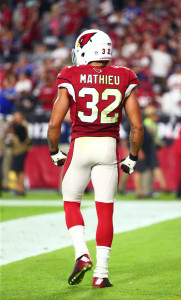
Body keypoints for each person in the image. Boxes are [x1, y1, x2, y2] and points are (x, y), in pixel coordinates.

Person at [47, 29, 143, 288]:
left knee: (71, 203)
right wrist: (132, 157)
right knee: (105, 212)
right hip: (108, 148)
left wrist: (54, 150)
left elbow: (55, 124)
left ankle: (81, 254)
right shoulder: (125, 76)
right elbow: (137, 127)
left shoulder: (70, 74)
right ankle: (101, 274)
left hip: (81, 145)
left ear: (85, 49)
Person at [8, 110, 31, 196]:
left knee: (20, 170)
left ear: (22, 117)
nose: (16, 118)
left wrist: (13, 125)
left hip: (21, 150)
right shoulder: (15, 125)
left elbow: (22, 138)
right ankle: (19, 188)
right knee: (17, 170)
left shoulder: (22, 125)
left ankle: (21, 189)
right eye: (15, 116)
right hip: (15, 151)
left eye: (18, 116)